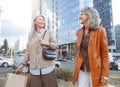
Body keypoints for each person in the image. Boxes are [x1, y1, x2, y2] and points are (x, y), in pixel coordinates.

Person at [16, 14, 58, 87]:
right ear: (34, 22)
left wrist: (47, 43)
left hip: (48, 67)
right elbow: (28, 51)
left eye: (43, 20)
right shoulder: (31, 35)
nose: (42, 21)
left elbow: (56, 45)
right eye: (40, 19)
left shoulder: (48, 32)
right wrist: (22, 64)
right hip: (34, 69)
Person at [72, 7, 109, 87]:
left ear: (89, 15)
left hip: (96, 69)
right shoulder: (79, 32)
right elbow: (77, 49)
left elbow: (105, 55)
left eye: (82, 14)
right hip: (82, 68)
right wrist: (77, 58)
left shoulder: (100, 31)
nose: (79, 17)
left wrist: (105, 73)